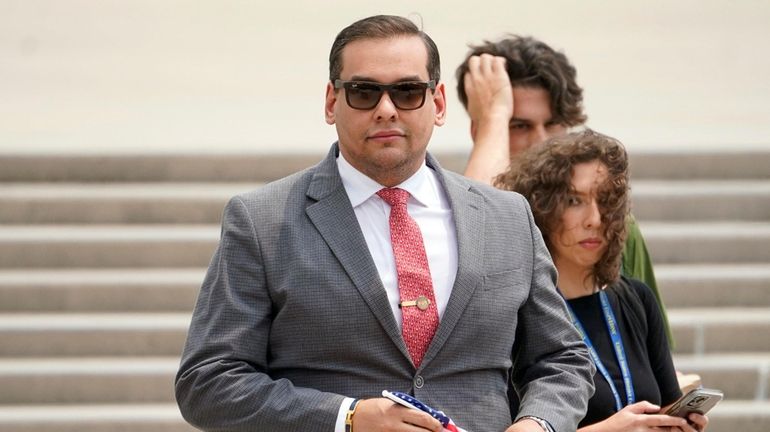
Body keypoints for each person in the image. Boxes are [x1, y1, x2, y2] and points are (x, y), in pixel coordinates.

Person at [175, 15, 594, 432]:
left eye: (408, 91)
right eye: (363, 92)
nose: (386, 109)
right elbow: (208, 381)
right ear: (330, 102)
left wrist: (538, 424)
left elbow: (562, 359)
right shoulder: (261, 220)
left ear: (440, 103)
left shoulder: (507, 216)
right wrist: (347, 417)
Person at [454, 35, 674, 347]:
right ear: (483, 132)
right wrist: (493, 116)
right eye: (519, 126)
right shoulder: (464, 208)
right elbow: (477, 229)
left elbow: (654, 355)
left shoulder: (610, 224)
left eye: (554, 124)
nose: (543, 141)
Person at [496, 130, 708, 432]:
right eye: (574, 200)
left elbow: (664, 409)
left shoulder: (636, 299)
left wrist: (679, 424)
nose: (595, 218)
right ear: (542, 208)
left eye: (606, 199)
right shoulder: (518, 316)